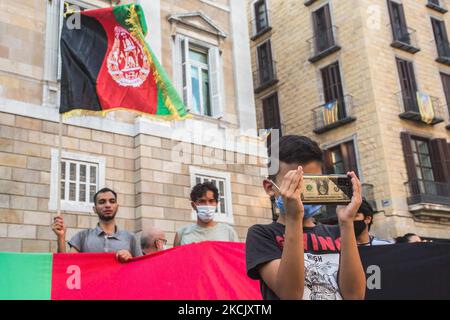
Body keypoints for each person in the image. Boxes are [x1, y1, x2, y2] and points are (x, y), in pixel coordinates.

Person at [246, 135, 366, 300]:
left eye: (311, 183)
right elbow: (290, 294)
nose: (302, 192)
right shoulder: (262, 234)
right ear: (270, 188)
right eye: (294, 184)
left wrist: (346, 223)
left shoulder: (337, 232)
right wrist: (294, 219)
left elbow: (355, 295)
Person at [51, 187, 142, 262]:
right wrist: (61, 238)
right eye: (102, 202)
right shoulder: (82, 236)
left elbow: (141, 268)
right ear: (94, 209)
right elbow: (65, 264)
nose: (108, 205)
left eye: (112, 201)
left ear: (117, 207)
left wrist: (131, 259)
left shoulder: (130, 238)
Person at [173, 182, 239, 246]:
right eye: (202, 201)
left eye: (211, 201)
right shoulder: (181, 234)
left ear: (216, 204)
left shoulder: (229, 232)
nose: (207, 205)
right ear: (193, 205)